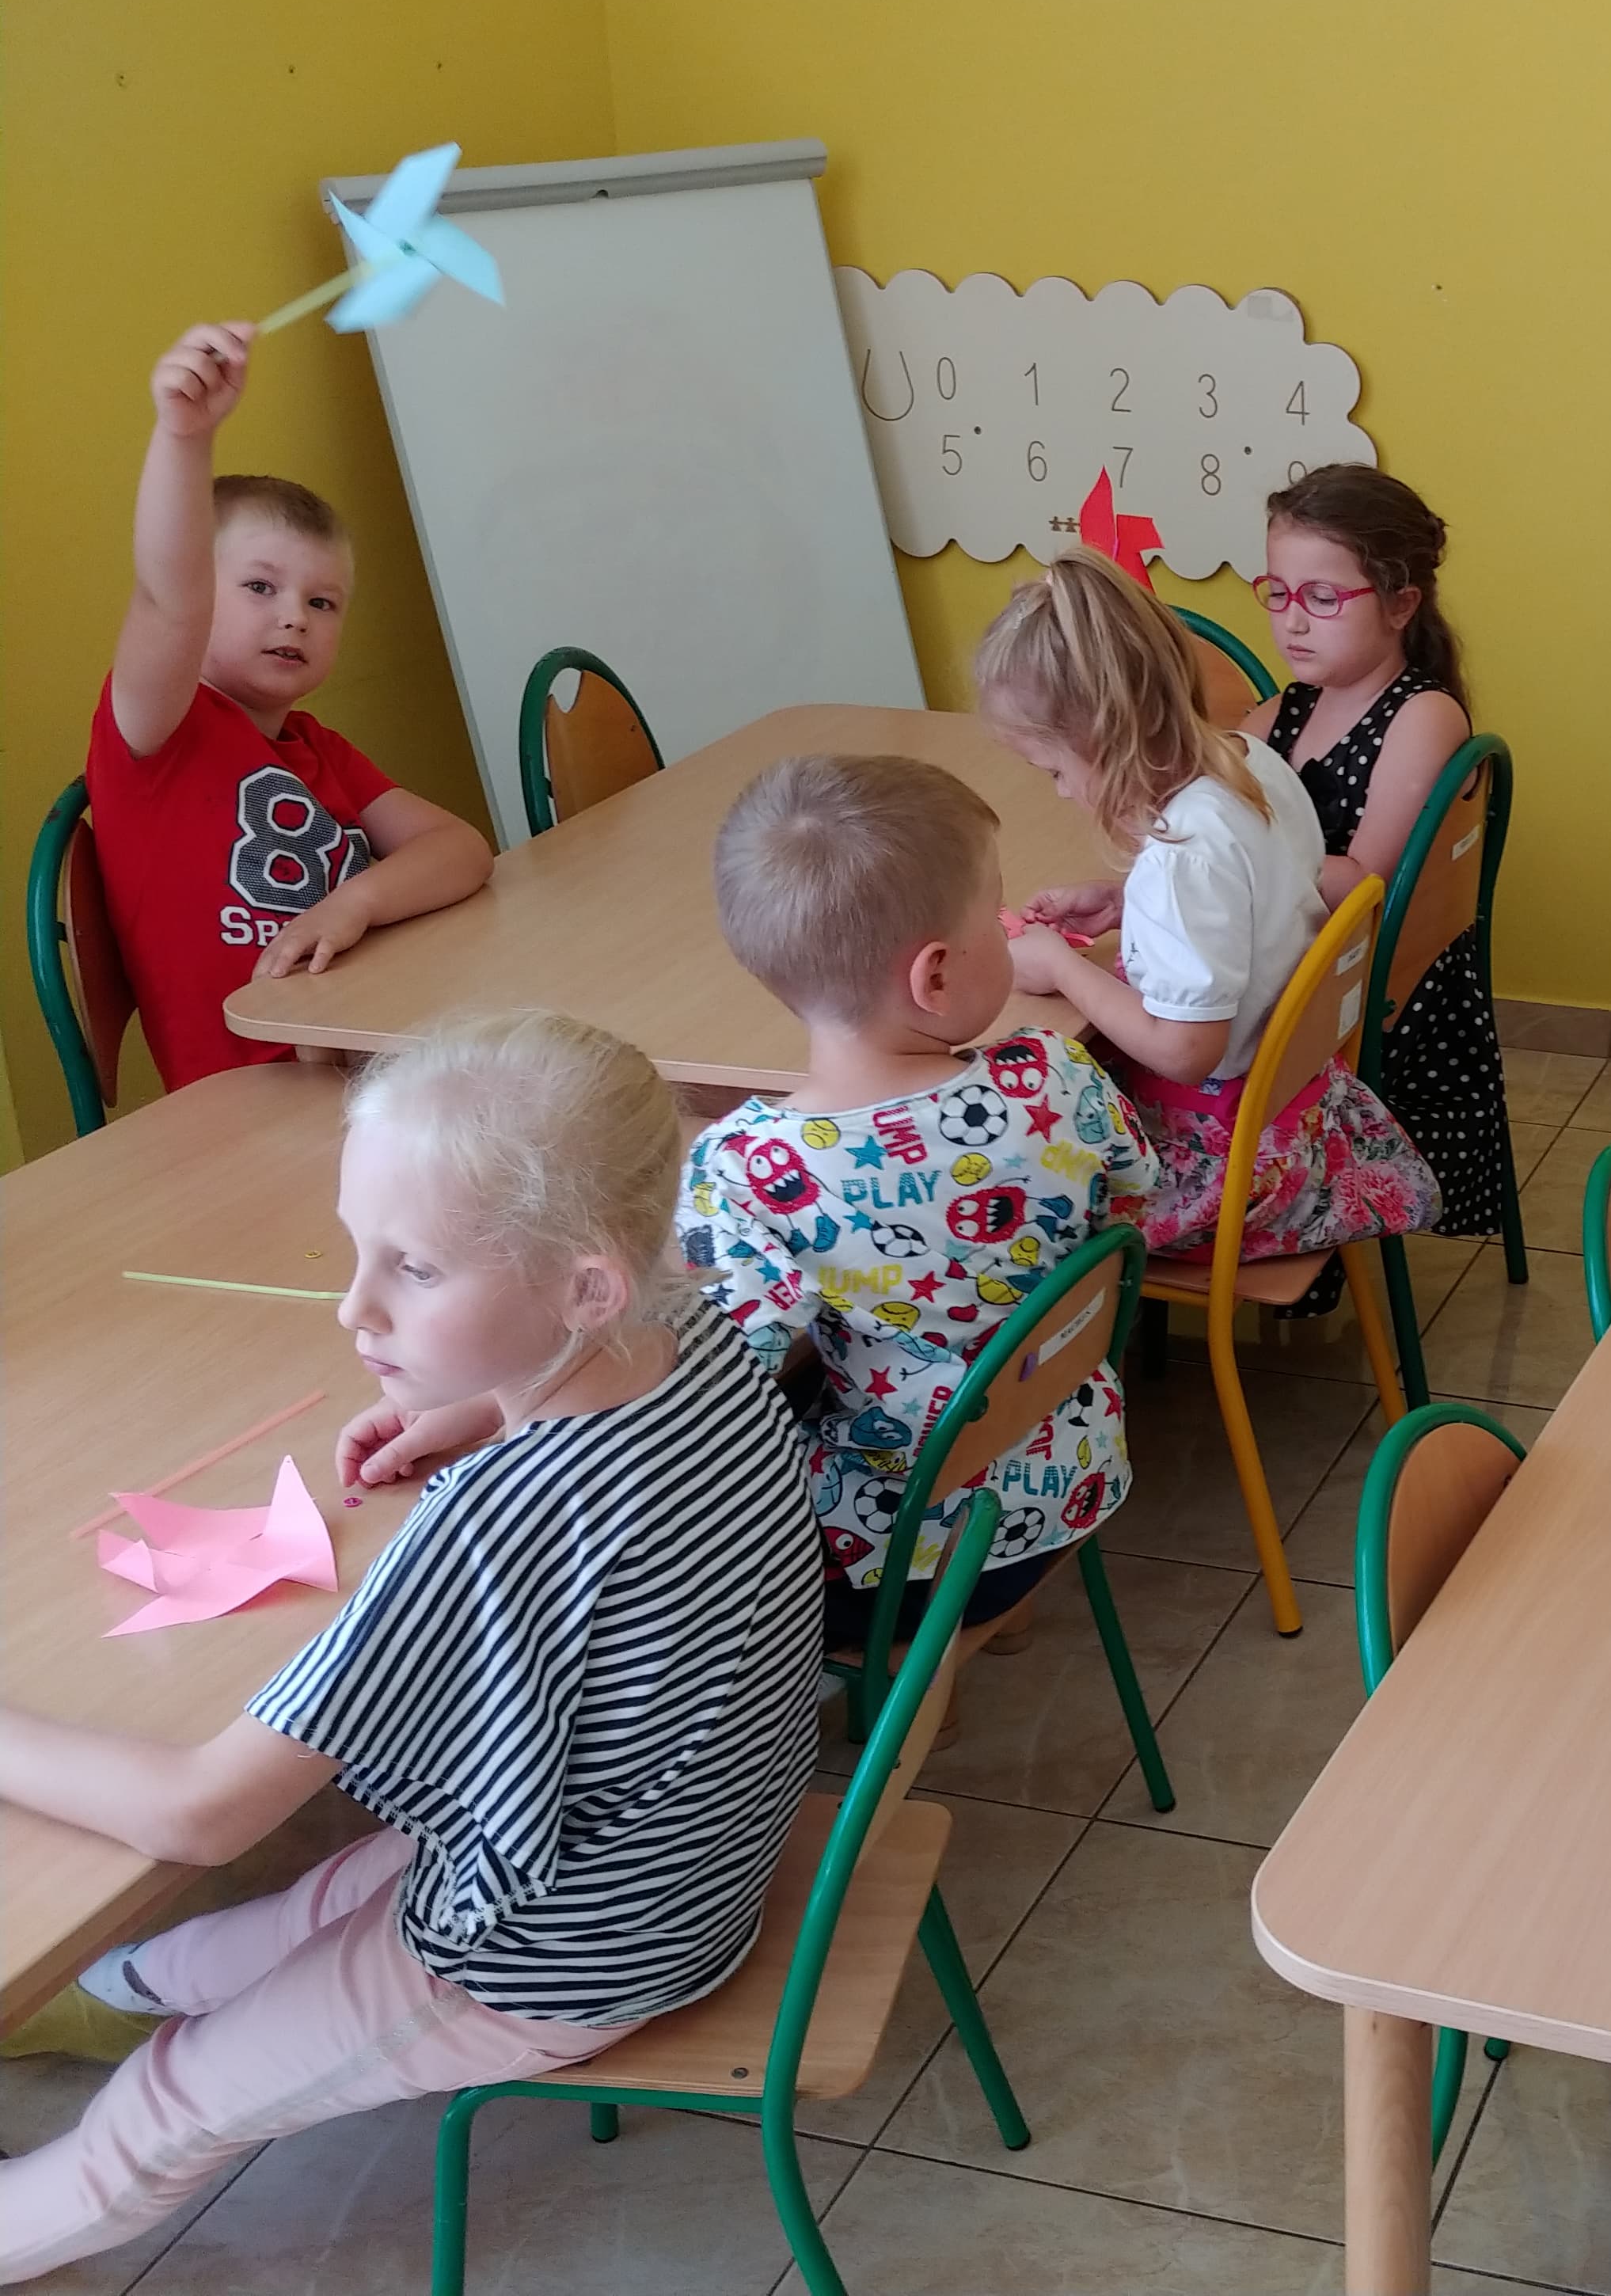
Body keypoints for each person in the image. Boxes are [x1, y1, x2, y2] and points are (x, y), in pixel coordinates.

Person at [0, 1012, 823, 2282]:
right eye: (358, 1250)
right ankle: (109, 1995)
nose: (353, 1307)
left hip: (576, 1953)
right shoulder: (695, 1334)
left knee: (169, 2104)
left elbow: (204, 1814)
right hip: (682, 1853)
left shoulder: (500, 1521)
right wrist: (486, 1403)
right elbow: (596, 1431)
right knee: (316, 1904)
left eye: (416, 1271)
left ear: (586, 1289)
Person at [682, 753, 1156, 1644]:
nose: (1012, 936)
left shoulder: (743, 1168)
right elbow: (1136, 1195)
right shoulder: (1055, 1076)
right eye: (999, 920)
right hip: (1076, 1468)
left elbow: (717, 1376)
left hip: (905, 1552)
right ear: (934, 976)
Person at [978, 548, 1439, 1260]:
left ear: (1102, 736)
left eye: (1054, 772)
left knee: (1004, 1207)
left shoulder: (1183, 855)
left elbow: (1186, 1052)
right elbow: (1258, 895)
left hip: (1232, 1172)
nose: (1062, 792)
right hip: (1301, 1117)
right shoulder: (1249, 762)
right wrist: (1129, 903)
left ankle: (1086, 1329)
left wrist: (1063, 968)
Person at [86, 322, 492, 1091]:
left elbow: (462, 849)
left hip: (377, 1062)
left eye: (322, 601)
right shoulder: (157, 733)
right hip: (258, 1097)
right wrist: (185, 436)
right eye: (259, 586)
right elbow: (168, 599)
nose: (294, 617)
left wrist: (354, 904)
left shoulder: (317, 747)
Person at [1248, 466, 1514, 1245]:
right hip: (1300, 963)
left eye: (1323, 598)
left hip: (1374, 995)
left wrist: (1235, 865)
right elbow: (1199, 802)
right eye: (1278, 593)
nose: (1293, 622)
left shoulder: (1423, 715)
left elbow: (1361, 884)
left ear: (1400, 604)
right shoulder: (1287, 708)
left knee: (1178, 1046)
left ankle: (1243, 1233)